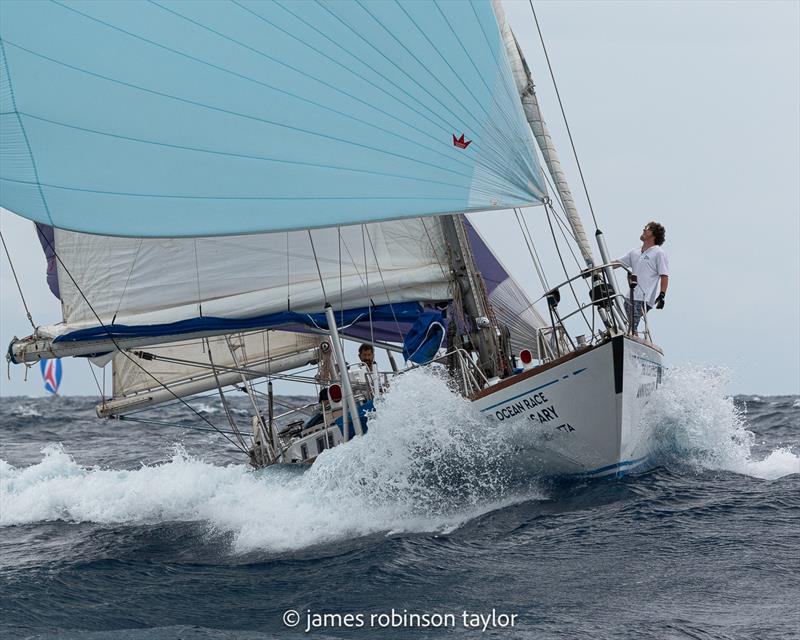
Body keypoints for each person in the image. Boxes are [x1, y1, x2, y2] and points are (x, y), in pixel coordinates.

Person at [617, 221, 669, 334]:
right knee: (623, 326)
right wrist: (597, 269)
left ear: (654, 235)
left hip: (643, 298)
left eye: (648, 228)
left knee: (631, 327)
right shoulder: (634, 252)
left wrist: (662, 295)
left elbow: (664, 275)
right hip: (629, 296)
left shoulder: (658, 253)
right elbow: (617, 263)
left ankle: (633, 341)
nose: (644, 230)